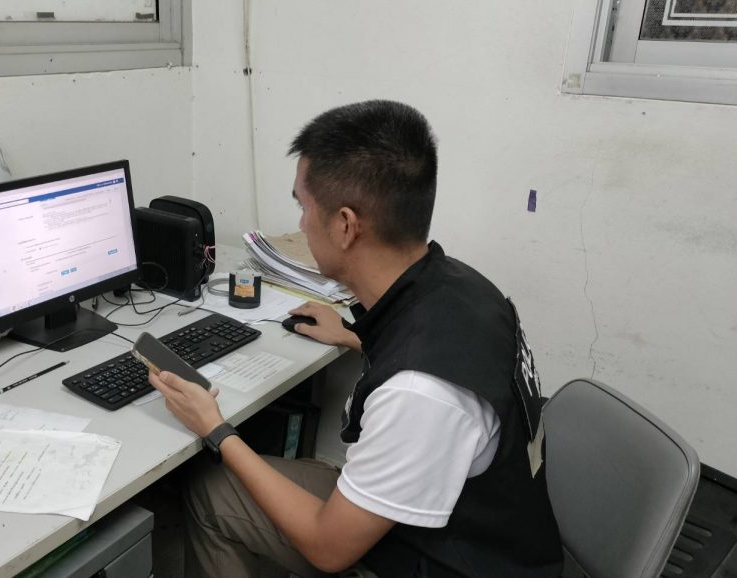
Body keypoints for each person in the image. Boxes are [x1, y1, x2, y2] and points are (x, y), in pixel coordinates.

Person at [148, 100, 563, 578]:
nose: (301, 225)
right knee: (216, 488)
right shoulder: (460, 286)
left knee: (213, 485)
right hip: (481, 525)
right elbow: (437, 359)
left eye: (303, 207)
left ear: (345, 226)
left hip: (441, 559)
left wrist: (216, 428)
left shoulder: (420, 393)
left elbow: (328, 549)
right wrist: (352, 337)